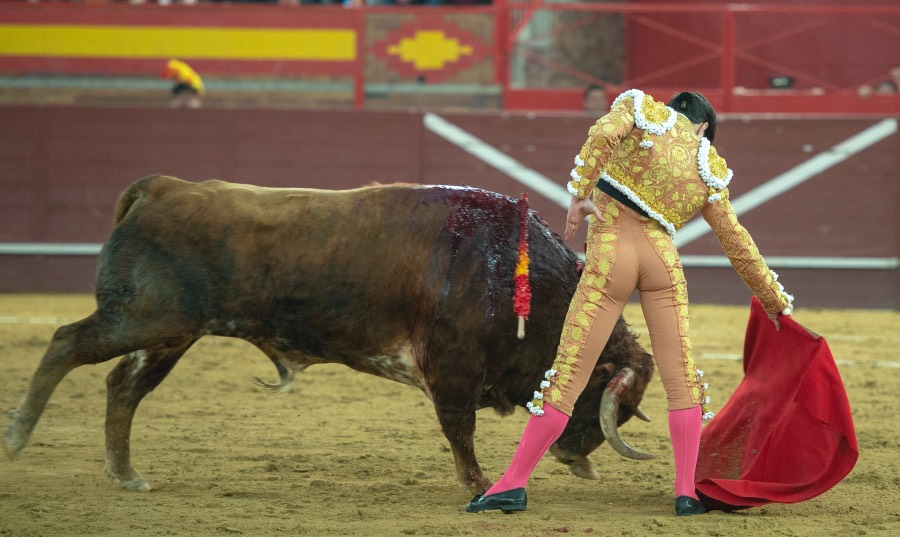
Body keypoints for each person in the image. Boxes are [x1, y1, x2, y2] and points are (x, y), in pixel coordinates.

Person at [465, 89, 794, 517]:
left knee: (567, 376)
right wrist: (774, 299)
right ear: (704, 128)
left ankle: (511, 485)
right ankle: (685, 493)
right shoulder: (707, 165)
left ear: (674, 111)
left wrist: (580, 194)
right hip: (662, 262)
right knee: (682, 380)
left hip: (610, 252)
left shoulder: (640, 111)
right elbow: (736, 241)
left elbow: (601, 135)